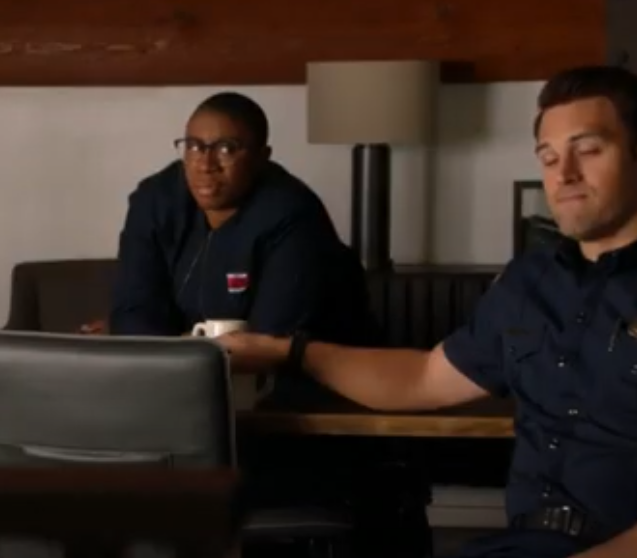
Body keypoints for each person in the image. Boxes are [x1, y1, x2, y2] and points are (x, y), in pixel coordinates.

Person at [218, 64, 637, 558]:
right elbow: (423, 378)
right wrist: (286, 352)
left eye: (588, 150)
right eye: (548, 158)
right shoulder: (529, 283)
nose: (564, 174)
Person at [100, 92, 430, 557]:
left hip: (308, 405)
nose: (205, 164)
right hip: (195, 403)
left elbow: (268, 341)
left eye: (226, 148)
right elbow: (133, 312)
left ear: (261, 156)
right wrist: (163, 346)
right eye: (193, 146)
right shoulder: (155, 199)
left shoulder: (292, 213)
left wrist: (168, 347)